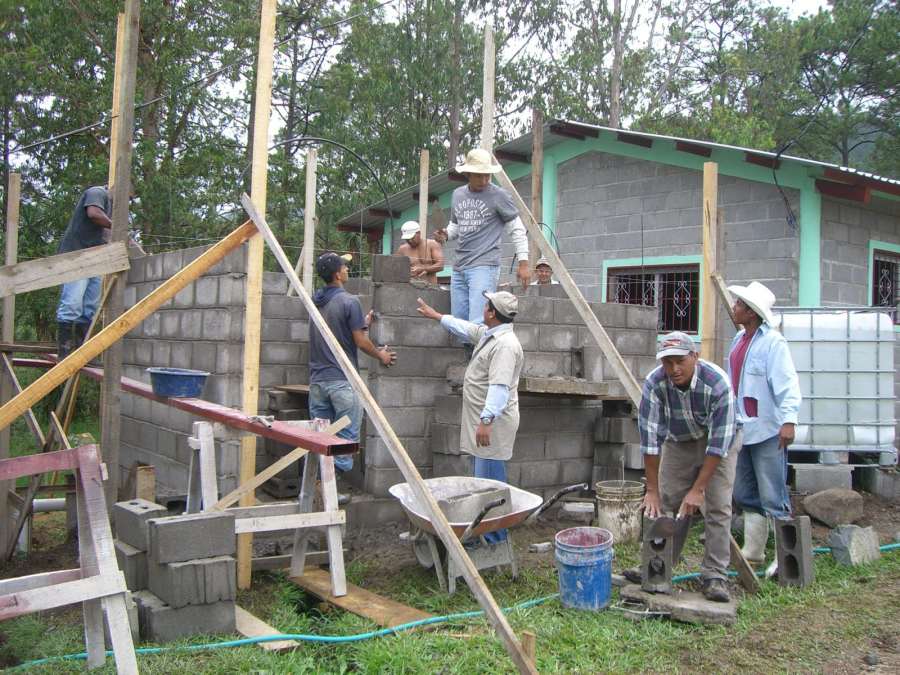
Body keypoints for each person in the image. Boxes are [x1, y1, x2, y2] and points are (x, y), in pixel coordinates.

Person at [632, 331, 741, 602]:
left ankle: (715, 575)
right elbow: (649, 439)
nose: (674, 369)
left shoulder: (717, 384)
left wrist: (699, 489)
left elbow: (718, 446)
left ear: (695, 356)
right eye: (668, 362)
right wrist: (653, 489)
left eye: (680, 361)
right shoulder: (655, 383)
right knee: (667, 502)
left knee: (717, 506)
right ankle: (659, 563)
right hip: (679, 440)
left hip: (719, 443)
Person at [416, 290, 523, 544]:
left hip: (492, 425)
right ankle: (486, 534)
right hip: (486, 423)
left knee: (490, 486)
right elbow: (465, 329)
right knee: (483, 481)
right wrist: (437, 316)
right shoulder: (491, 335)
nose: (483, 307)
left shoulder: (505, 346)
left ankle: (495, 538)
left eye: (486, 305)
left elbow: (499, 387)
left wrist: (486, 422)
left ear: (492, 313)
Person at [726, 281, 801, 565]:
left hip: (769, 429)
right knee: (745, 491)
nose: (734, 308)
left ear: (752, 312)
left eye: (739, 305)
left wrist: (789, 420)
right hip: (743, 427)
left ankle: (787, 558)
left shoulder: (773, 343)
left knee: (773, 494)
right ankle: (754, 552)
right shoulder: (739, 340)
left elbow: (786, 384)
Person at [308, 252, 397, 486]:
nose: (347, 270)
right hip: (342, 382)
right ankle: (332, 490)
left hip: (317, 382)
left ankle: (319, 486)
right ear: (337, 274)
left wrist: (361, 323)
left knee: (321, 438)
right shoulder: (349, 301)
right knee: (345, 439)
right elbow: (360, 342)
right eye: (344, 268)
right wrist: (381, 355)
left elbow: (337, 329)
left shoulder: (316, 301)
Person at [433, 148, 530, 332]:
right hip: (460, 266)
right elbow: (456, 226)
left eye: (487, 175)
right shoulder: (458, 195)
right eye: (479, 176)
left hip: (484, 265)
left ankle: (479, 359)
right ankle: (469, 357)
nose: (484, 180)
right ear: (468, 173)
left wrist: (524, 263)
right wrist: (445, 234)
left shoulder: (499, 195)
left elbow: (517, 229)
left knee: (478, 323)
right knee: (459, 322)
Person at [56, 185, 112, 358]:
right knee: (72, 303)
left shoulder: (109, 208)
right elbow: (93, 214)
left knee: (90, 307)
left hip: (95, 258)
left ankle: (82, 352)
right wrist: (116, 227)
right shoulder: (98, 192)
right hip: (77, 255)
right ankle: (64, 353)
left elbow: (108, 235)